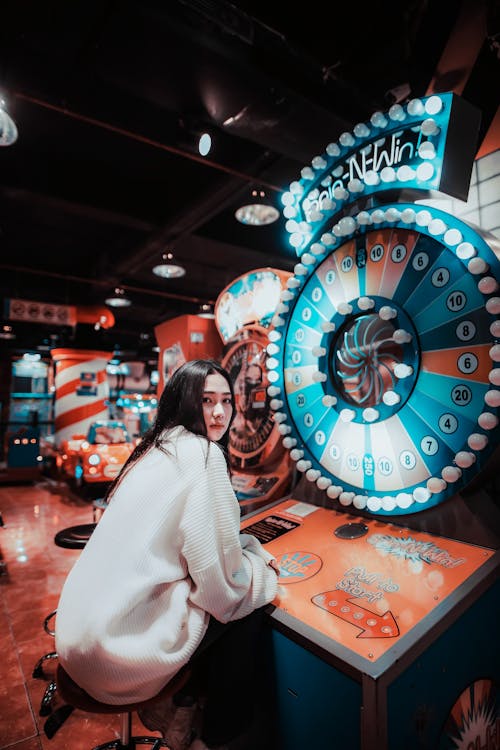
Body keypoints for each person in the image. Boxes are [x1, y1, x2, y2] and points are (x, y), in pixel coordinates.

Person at [55, 359, 280, 750]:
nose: (219, 412)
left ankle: (185, 705)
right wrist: (262, 571)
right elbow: (220, 585)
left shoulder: (160, 446)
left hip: (78, 638)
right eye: (206, 400)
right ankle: (216, 737)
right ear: (182, 402)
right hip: (114, 653)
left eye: (227, 401)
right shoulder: (205, 455)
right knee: (246, 609)